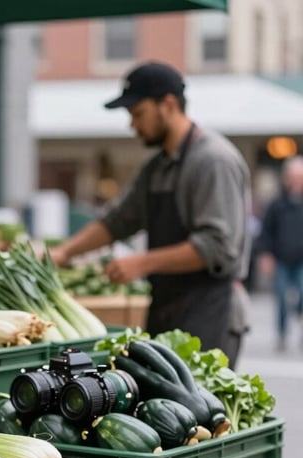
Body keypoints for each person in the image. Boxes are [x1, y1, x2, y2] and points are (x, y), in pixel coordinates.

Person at [49, 61, 252, 368]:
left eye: (137, 114)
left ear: (167, 104)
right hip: (167, 309)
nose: (132, 125)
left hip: (211, 312)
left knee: (202, 412)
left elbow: (217, 247)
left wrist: (140, 262)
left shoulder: (212, 160)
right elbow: (118, 220)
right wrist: (63, 253)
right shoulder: (156, 167)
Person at [257, 155, 303, 351]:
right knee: (282, 298)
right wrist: (265, 255)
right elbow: (266, 231)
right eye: (294, 175)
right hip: (282, 258)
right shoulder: (277, 204)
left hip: (302, 260)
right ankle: (282, 334)